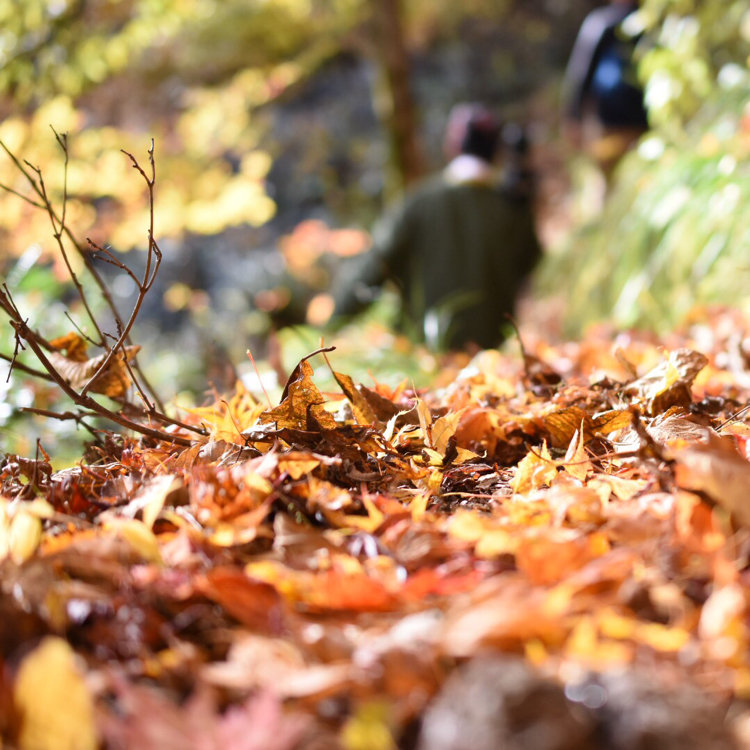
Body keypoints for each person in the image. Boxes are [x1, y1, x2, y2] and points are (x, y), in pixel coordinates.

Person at [329, 103, 542, 351]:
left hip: (423, 353)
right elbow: (530, 262)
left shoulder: (418, 202)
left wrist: (330, 326)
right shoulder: (511, 207)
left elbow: (374, 268)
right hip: (489, 353)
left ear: (452, 146)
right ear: (496, 150)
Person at [562, 0, 648, 179]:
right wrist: (573, 116)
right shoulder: (606, 23)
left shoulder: (601, 21)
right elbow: (582, 73)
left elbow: (580, 73)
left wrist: (573, 116)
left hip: (623, 119)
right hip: (622, 120)